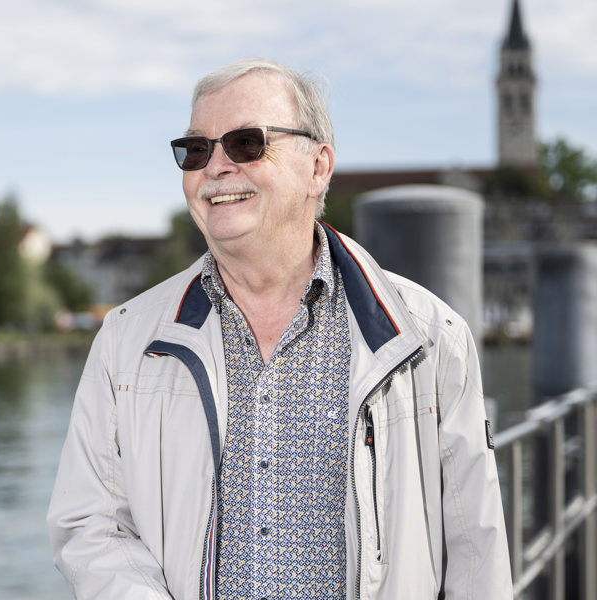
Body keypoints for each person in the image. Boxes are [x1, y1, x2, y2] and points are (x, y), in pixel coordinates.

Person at [46, 57, 512, 600]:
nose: (214, 167)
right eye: (196, 150)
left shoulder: (431, 338)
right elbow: (91, 525)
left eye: (246, 143)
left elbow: (475, 551)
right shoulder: (125, 341)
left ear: (318, 167)